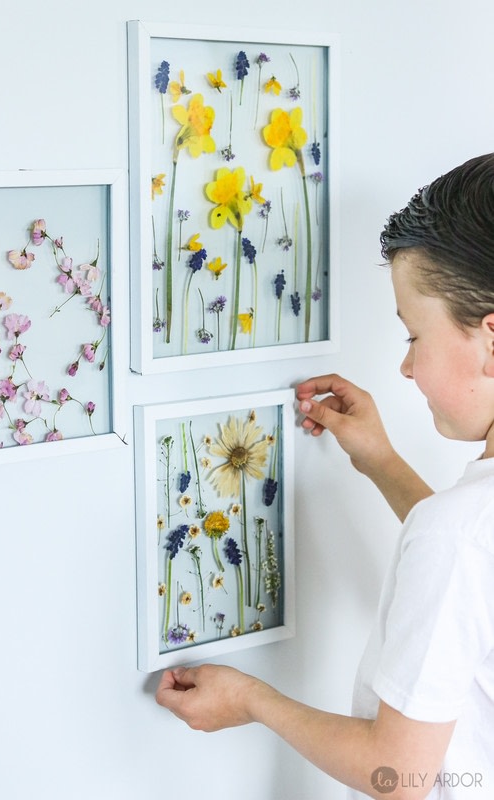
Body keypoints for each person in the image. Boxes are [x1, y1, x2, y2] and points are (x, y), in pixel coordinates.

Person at [155, 153, 494, 799]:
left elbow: (401, 775)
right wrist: (381, 463)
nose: (404, 370)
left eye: (411, 337)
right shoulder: (462, 531)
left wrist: (252, 700)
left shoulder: (458, 533)